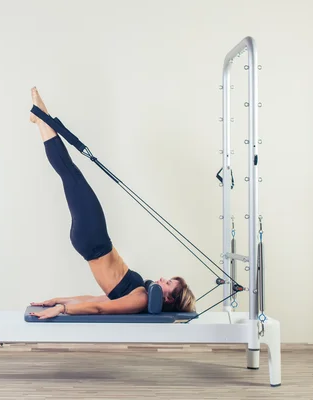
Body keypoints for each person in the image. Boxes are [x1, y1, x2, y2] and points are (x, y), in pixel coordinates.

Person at [27, 87, 196, 320]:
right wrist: (59, 300)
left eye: (167, 283)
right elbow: (96, 300)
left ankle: (40, 117)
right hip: (92, 242)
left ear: (168, 299)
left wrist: (62, 309)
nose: (161, 279)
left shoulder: (141, 299)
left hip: (94, 240)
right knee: (70, 175)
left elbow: (99, 309)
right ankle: (39, 118)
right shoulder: (139, 294)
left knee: (71, 175)